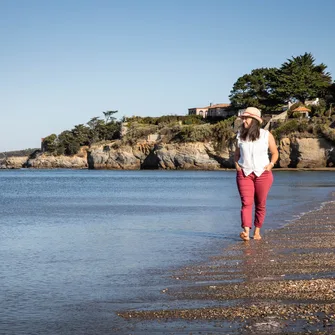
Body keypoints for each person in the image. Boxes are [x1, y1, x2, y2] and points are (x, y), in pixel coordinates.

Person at [234, 107, 279, 241]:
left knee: (260, 203)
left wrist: (270, 165)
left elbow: (275, 153)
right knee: (246, 202)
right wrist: (237, 165)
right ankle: (246, 231)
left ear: (254, 120)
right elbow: (236, 154)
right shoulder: (240, 135)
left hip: (263, 174)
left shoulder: (266, 135)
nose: (243, 121)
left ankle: (257, 231)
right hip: (244, 173)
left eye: (246, 118)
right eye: (243, 118)